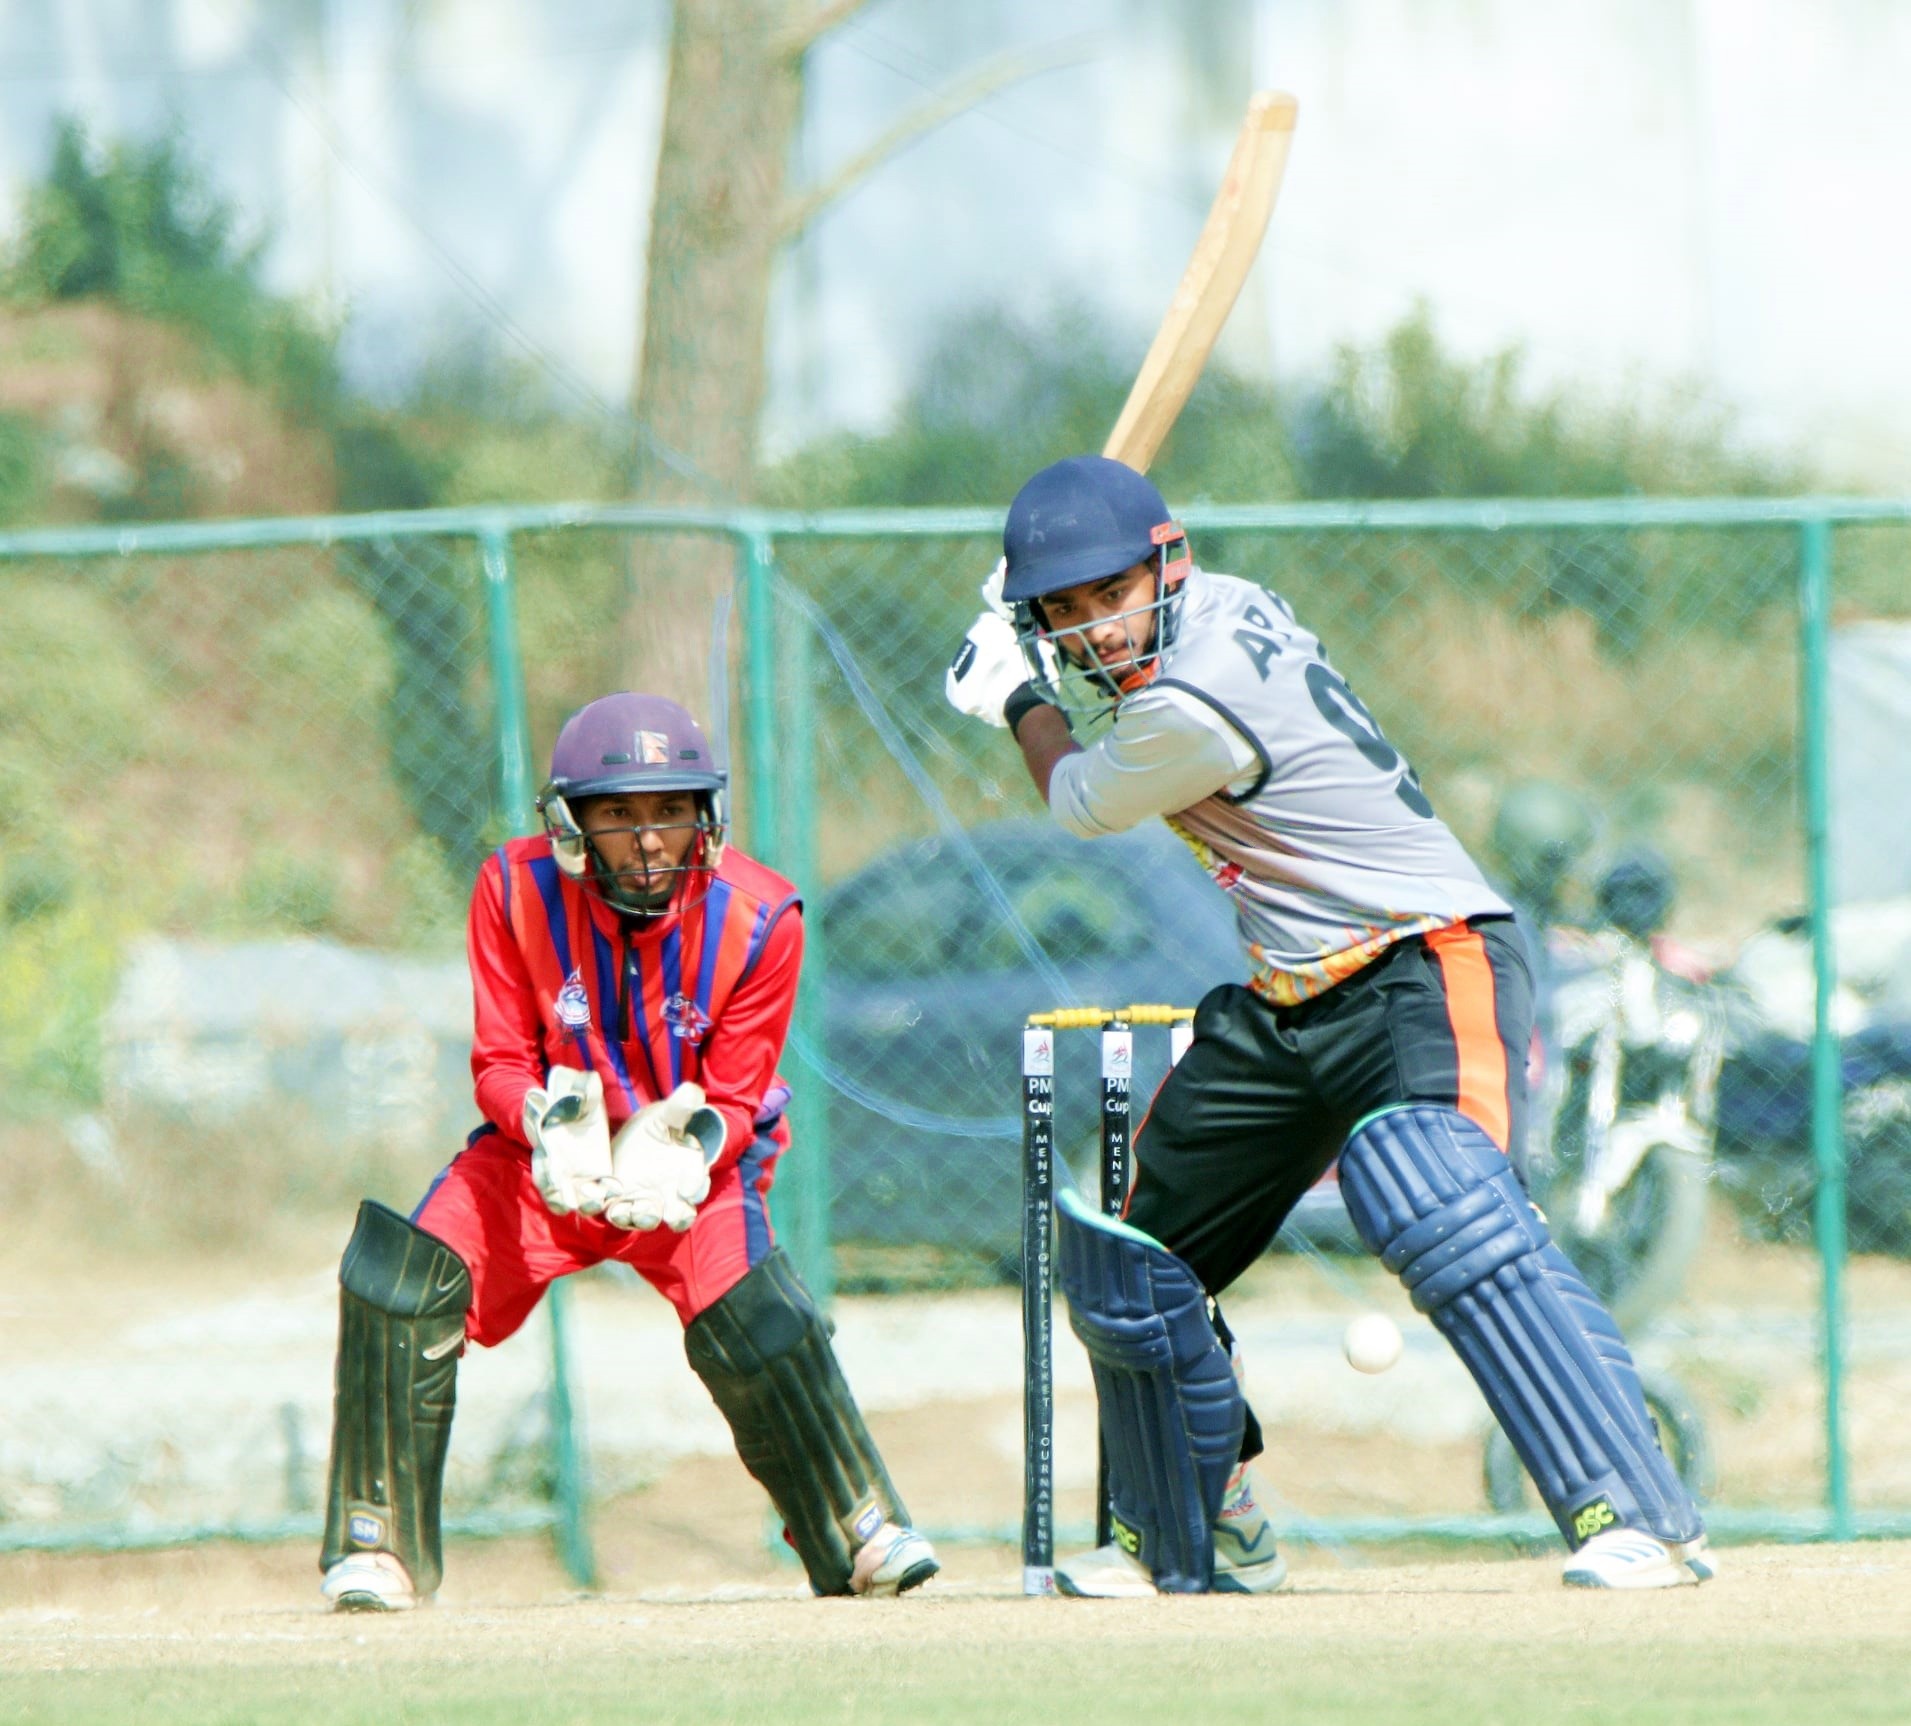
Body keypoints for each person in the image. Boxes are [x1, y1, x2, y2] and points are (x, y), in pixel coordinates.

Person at [945, 455, 1713, 1596]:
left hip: (1424, 955)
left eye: (1111, 594)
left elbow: (1081, 801)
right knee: (1130, 1257)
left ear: (1169, 564)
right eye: (1064, 611)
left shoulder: (1186, 702)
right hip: (1295, 992)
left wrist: (1017, 695)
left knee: (1435, 1200)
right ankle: (1195, 1529)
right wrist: (1047, 615)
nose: (1096, 629)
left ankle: (1641, 1515)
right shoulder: (1229, 602)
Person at [317, 692, 938, 1610]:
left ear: (705, 816)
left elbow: (735, 1092)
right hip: (545, 1163)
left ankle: (859, 1529)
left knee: (758, 1316)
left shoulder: (763, 916)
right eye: (618, 814)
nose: (648, 840)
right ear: (572, 823)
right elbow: (496, 1060)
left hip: (689, 1171)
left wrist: (686, 1155)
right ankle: (377, 1546)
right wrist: (538, 1120)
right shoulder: (513, 888)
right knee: (397, 1284)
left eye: (670, 809)